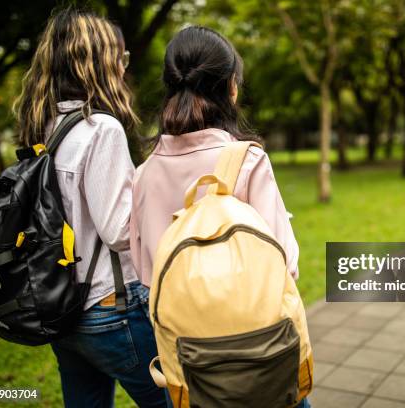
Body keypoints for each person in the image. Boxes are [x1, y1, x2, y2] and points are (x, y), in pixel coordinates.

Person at [130, 26, 310, 407]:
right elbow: (285, 263)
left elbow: (147, 274)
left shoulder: (144, 173)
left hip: (188, 364)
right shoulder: (246, 160)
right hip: (259, 350)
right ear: (231, 86)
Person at [13, 8, 169, 408]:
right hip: (110, 309)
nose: (123, 67)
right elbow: (119, 233)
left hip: (63, 310)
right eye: (120, 57)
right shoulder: (101, 129)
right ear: (95, 63)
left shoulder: (46, 126)